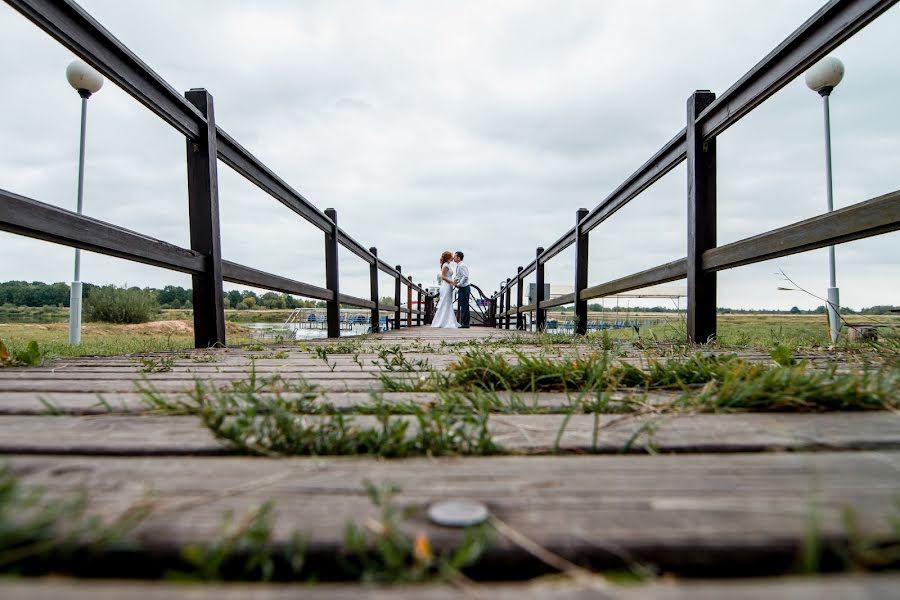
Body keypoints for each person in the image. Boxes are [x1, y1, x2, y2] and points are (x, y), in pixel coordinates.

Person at [431, 250, 460, 329]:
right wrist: (453, 282)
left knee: (448, 303)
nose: (452, 257)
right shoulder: (446, 265)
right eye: (451, 256)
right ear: (447, 258)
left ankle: (448, 320)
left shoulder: (447, 265)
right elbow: (443, 277)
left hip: (448, 285)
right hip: (446, 286)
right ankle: (441, 321)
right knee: (445, 302)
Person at [453, 251, 471, 328]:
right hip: (462, 288)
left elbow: (465, 276)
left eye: (455, 256)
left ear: (459, 258)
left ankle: (465, 324)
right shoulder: (459, 265)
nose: (454, 257)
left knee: (464, 306)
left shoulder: (462, 265)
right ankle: (464, 323)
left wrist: (459, 284)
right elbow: (459, 276)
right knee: (462, 305)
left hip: (464, 288)